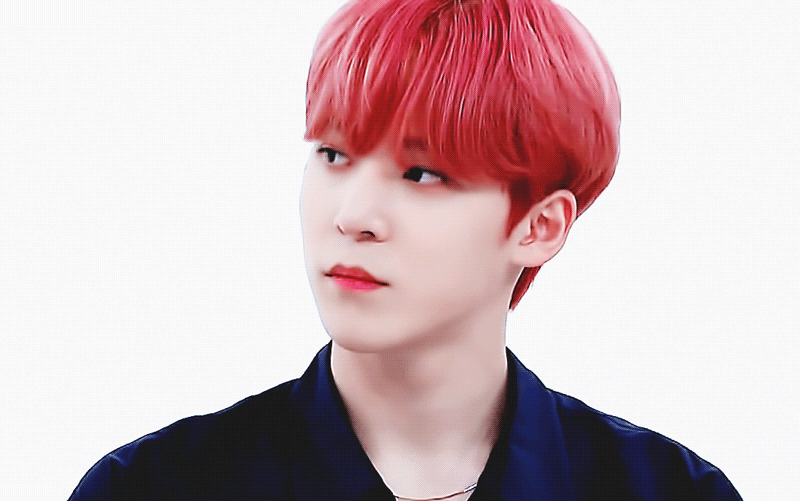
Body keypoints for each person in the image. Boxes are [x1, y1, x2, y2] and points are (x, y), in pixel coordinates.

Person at [69, 0, 742, 499]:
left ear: (538, 226)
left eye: (421, 173)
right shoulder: (153, 486)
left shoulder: (667, 490)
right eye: (333, 154)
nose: (352, 216)